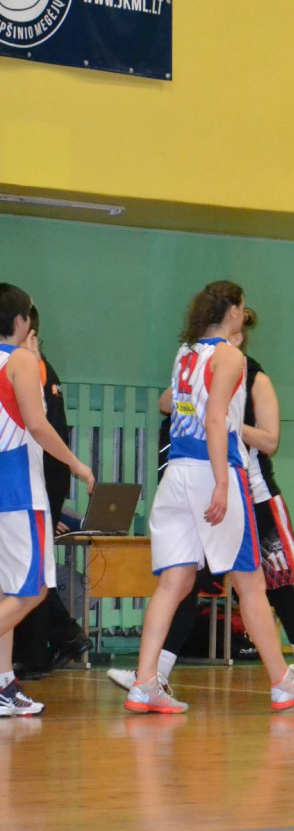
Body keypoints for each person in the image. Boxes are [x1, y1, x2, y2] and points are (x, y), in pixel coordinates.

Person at [124, 281, 294, 713]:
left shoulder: (185, 352)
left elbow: (175, 406)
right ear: (233, 311)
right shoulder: (231, 356)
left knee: (173, 583)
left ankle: (144, 684)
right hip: (213, 470)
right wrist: (221, 482)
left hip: (176, 472)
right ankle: (282, 682)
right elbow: (216, 419)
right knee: (252, 583)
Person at [0, 285, 95, 716]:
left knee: (10, 589)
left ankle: (4, 683)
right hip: (19, 488)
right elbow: (37, 425)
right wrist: (77, 465)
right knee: (34, 590)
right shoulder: (21, 360)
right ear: (21, 321)